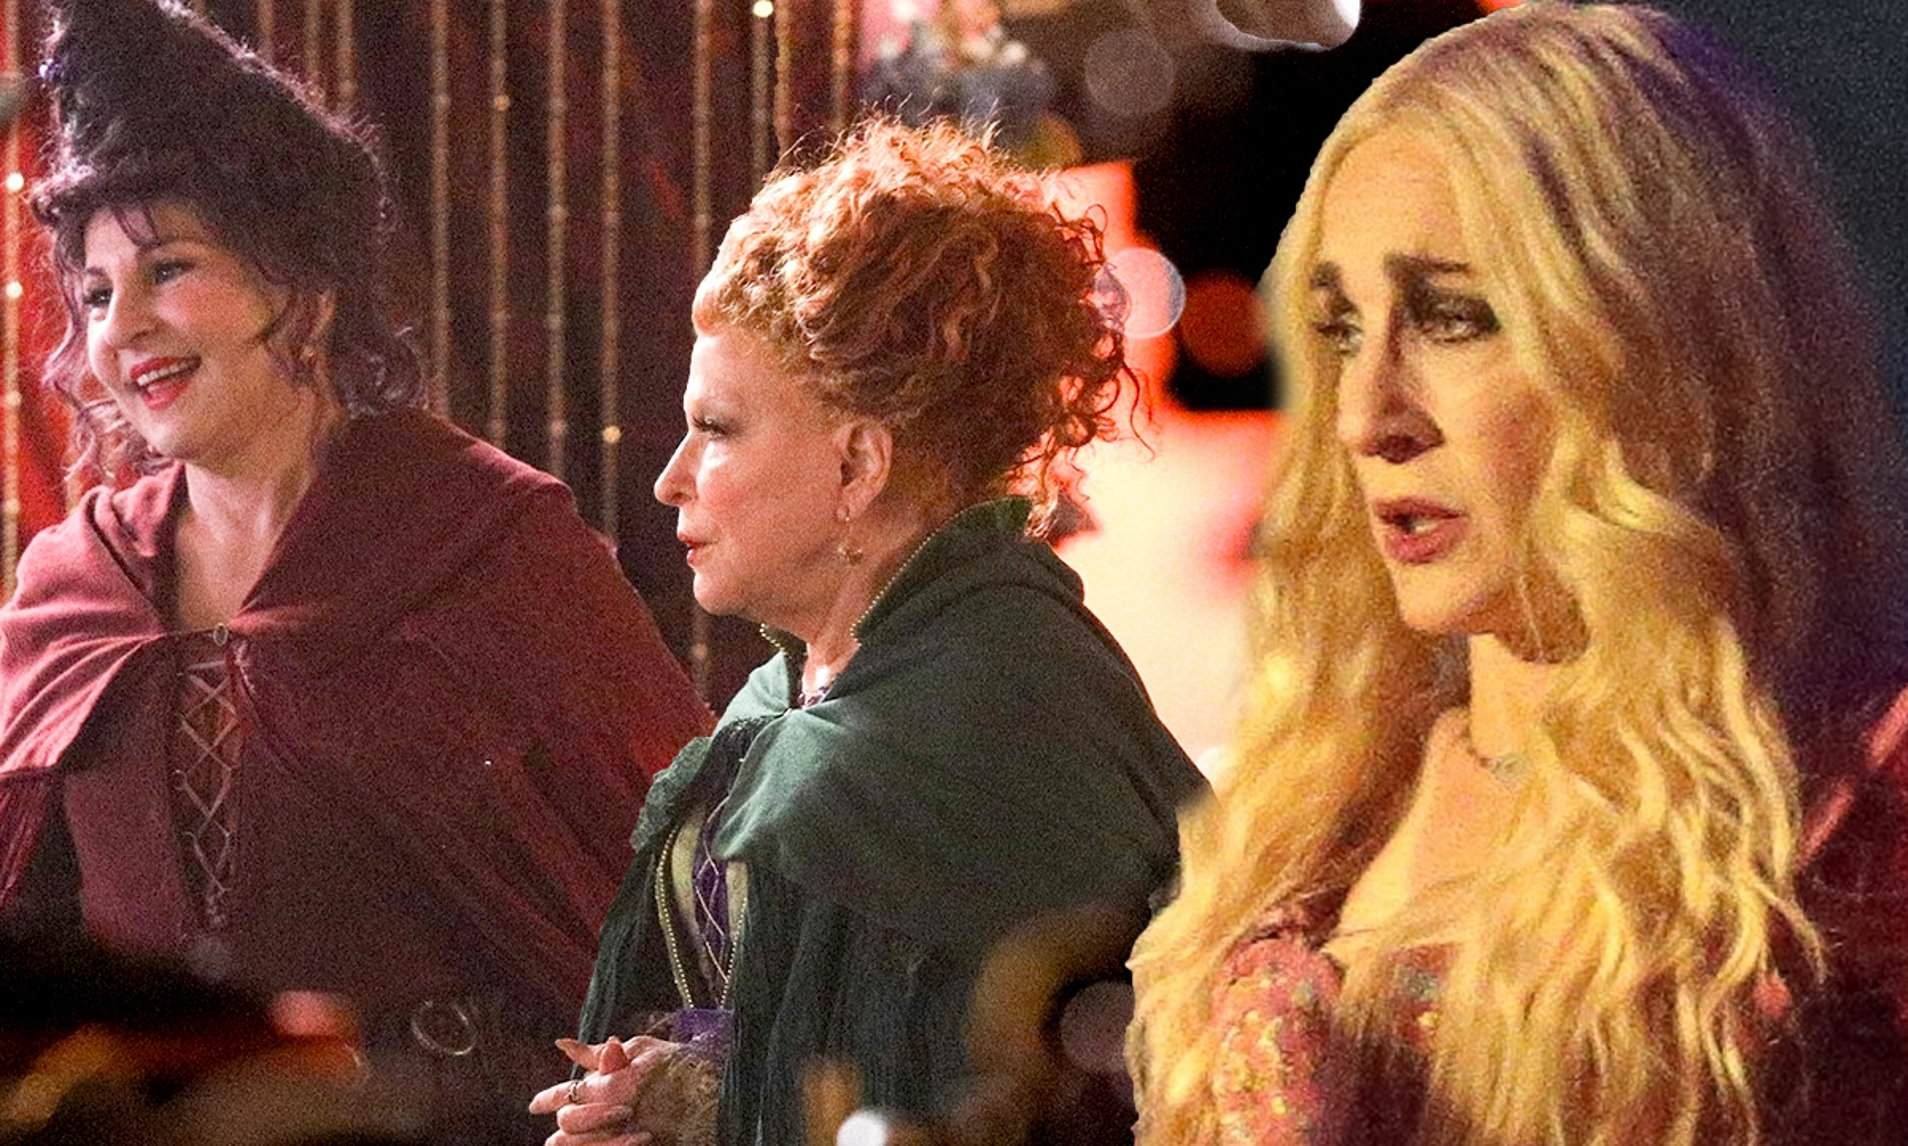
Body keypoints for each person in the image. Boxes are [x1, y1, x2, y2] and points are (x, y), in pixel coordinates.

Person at [1129, 4, 1908, 1144]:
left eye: (1451, 318)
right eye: (1343, 329)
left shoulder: (1859, 803)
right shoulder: (1322, 796)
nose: (1365, 417)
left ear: (1652, 346)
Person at [0, 2, 709, 1142]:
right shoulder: (73, 585)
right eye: (92, 292)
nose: (120, 328)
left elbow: (682, 886)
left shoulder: (486, 540)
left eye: (168, 268)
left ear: (304, 287)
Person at [531, 119, 1206, 1146]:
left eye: (716, 430)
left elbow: (990, 1099)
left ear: (858, 465)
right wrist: (681, 1089)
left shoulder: (998, 711)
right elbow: (812, 1042)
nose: (670, 480)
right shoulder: (806, 692)